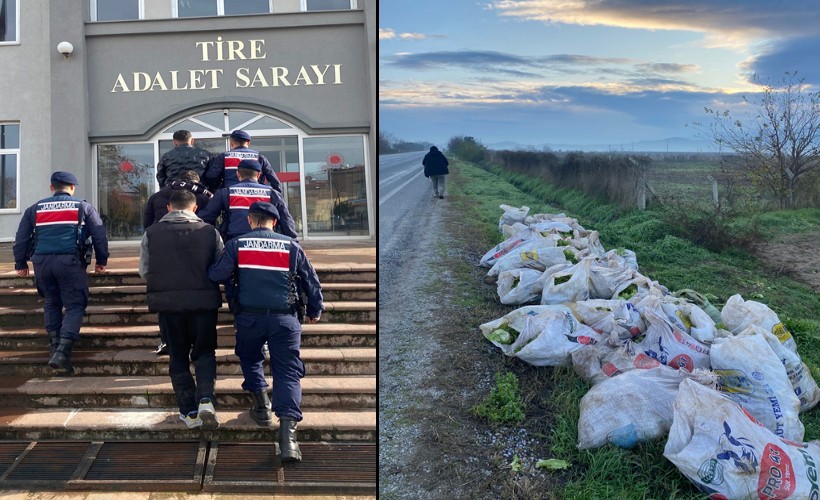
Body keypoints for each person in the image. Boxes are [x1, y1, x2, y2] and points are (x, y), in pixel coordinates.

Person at [208, 201, 323, 463]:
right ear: (275, 222)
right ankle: (288, 440)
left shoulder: (237, 244)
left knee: (250, 358)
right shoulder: (291, 246)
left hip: (249, 317)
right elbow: (310, 281)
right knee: (288, 373)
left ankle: (261, 405)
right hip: (285, 319)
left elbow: (217, 274)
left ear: (250, 220)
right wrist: (316, 309)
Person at [139, 189, 224, 430]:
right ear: (195, 208)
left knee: (177, 356)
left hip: (168, 306)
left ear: (168, 207)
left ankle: (189, 411)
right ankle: (206, 398)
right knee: (205, 352)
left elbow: (145, 270)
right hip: (204, 304)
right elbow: (220, 266)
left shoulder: (151, 233)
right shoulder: (210, 232)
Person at [12, 171, 109, 375]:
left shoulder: (34, 209)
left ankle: (54, 348)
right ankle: (62, 353)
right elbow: (99, 234)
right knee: (74, 305)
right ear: (72, 188)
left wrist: (20, 262)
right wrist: (102, 261)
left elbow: (21, 238)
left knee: (51, 302)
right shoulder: (82, 206)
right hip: (70, 262)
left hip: (42, 263)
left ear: (51, 187)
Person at [144, 169, 215, 356]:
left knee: (166, 302)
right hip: (199, 255)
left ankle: (165, 340)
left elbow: (147, 223)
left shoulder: (157, 196)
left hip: (162, 249)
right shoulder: (205, 197)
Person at [198, 158, 298, 242]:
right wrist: (294, 242)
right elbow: (286, 220)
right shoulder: (272, 193)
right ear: (259, 175)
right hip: (266, 240)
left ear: (238, 174)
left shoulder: (226, 192)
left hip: (235, 240)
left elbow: (207, 215)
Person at [203, 129, 282, 193]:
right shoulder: (259, 157)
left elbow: (211, 176)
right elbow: (274, 180)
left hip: (230, 196)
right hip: (255, 196)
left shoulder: (224, 157)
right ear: (248, 143)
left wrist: (219, 187)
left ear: (231, 143)